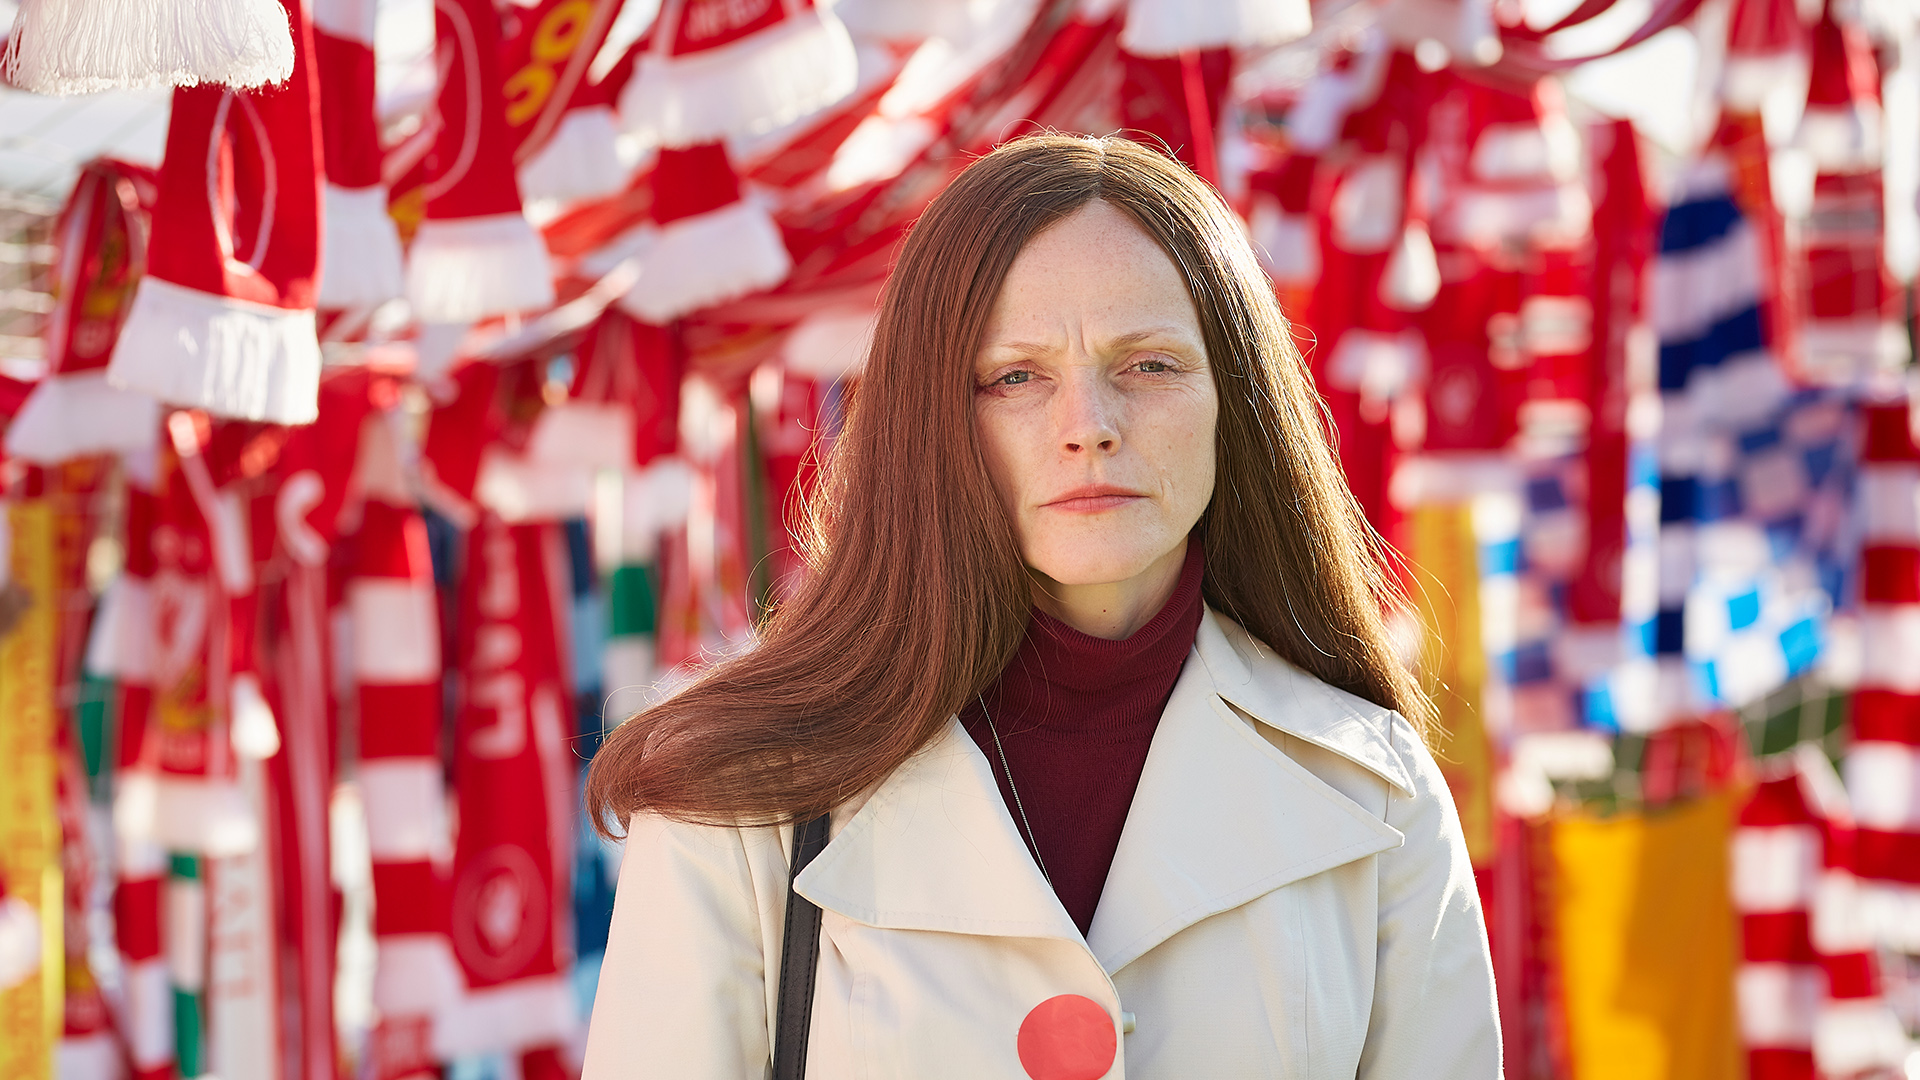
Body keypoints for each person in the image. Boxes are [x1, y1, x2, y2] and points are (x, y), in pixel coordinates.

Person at [581, 133, 1500, 1079]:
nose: (1090, 427)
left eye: (1148, 364)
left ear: (1238, 397)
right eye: (1017, 376)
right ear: (929, 418)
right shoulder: (733, 803)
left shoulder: (1374, 792)